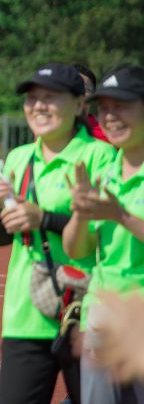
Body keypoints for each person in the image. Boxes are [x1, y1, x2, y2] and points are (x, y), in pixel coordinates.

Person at [0, 63, 116, 404]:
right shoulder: (18, 158)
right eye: (32, 99)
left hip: (84, 312)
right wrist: (3, 207)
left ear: (78, 105)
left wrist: (42, 218)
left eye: (50, 98)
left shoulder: (99, 156)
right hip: (25, 314)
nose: (38, 106)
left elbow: (103, 234)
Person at [62, 64, 144, 403]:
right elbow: (76, 250)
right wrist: (80, 214)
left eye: (120, 105)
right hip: (101, 319)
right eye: (104, 107)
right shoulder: (106, 170)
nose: (110, 116)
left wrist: (121, 215)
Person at [74, 64, 110, 143]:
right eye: (75, 87)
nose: (80, 93)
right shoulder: (45, 130)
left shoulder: (108, 137)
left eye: (86, 89)